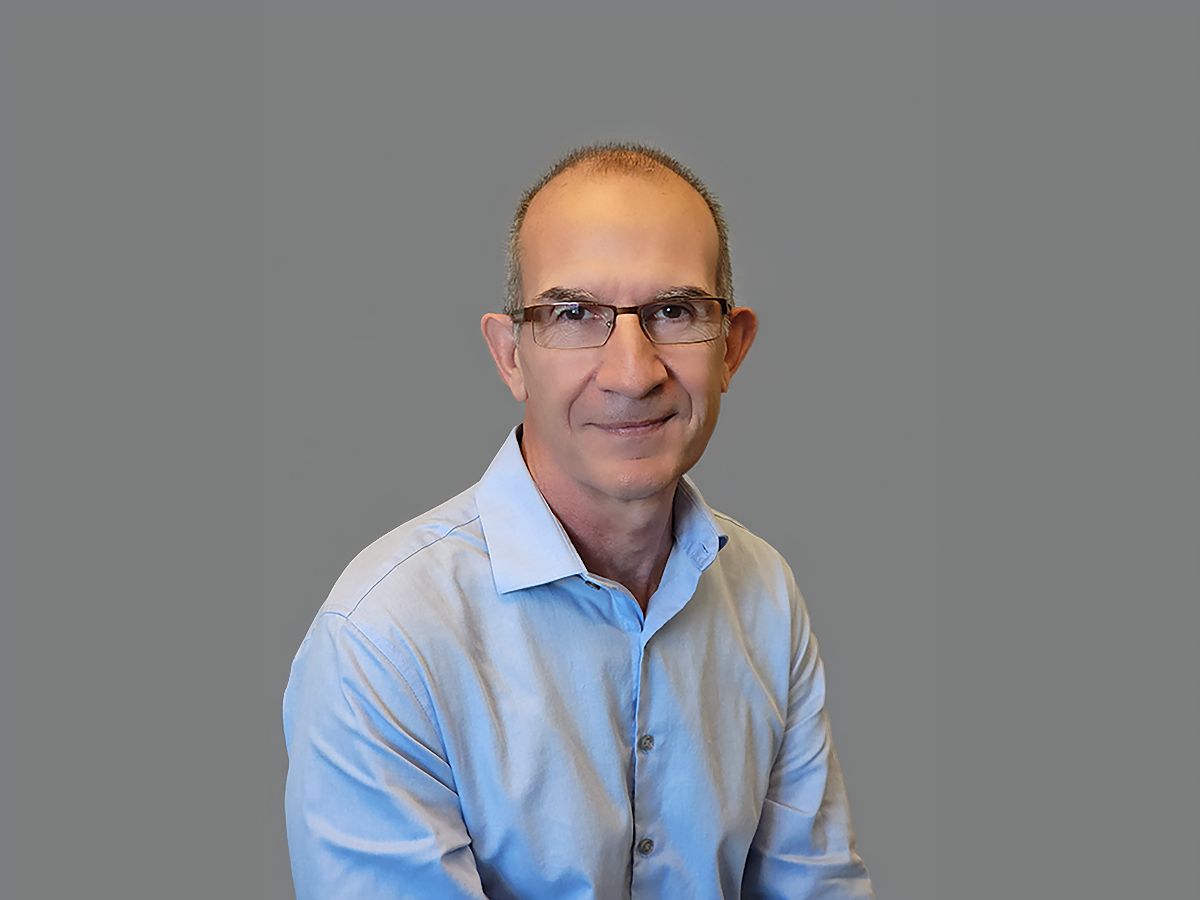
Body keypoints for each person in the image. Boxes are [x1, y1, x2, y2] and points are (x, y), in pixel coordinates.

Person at [283, 143, 874, 899]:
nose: (632, 372)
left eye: (674, 311)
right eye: (573, 314)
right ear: (511, 357)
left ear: (733, 348)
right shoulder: (383, 639)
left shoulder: (764, 592)